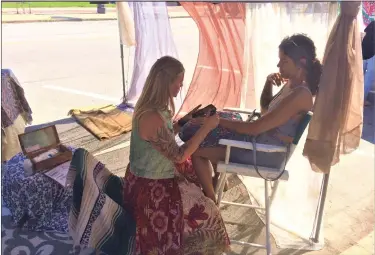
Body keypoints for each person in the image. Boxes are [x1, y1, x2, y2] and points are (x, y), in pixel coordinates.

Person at [182, 34, 323, 195]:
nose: (278, 65)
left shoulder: (300, 95)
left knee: (197, 150)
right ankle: (218, 182)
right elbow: (265, 111)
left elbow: (255, 128)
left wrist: (216, 121)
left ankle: (211, 202)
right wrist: (268, 83)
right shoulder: (293, 85)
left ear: (301, 63)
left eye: (284, 61)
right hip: (260, 144)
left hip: (265, 153)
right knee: (213, 128)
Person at [122, 56, 230, 255]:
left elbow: (162, 137)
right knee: (207, 211)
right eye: (179, 82)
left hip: (154, 174)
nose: (181, 86)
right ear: (166, 82)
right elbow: (178, 155)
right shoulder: (151, 115)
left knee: (196, 170)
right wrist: (206, 128)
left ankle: (209, 195)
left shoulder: (155, 108)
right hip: (149, 186)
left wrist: (183, 123)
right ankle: (209, 212)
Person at [362, 20, 375, 106]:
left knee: (359, 75)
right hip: (373, 53)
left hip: (364, 51)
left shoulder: (373, 23)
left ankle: (354, 98)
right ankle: (362, 100)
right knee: (368, 78)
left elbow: (365, 33)